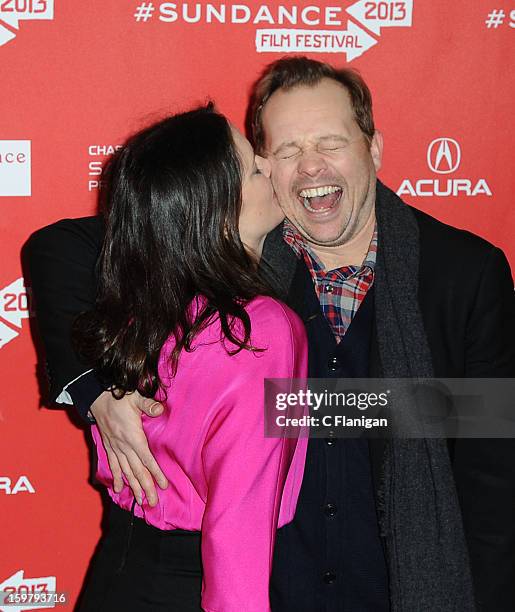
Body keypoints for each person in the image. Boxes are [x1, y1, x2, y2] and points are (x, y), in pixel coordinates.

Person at [27, 57, 515, 611]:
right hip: (266, 587)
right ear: (263, 166)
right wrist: (97, 391)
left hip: (403, 589)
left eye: (330, 143)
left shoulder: (464, 271)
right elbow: (57, 247)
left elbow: (492, 466)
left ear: (373, 150)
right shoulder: (236, 251)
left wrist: (293, 407)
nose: (310, 168)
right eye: (287, 151)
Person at [36, 104, 309, 611]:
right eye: (255, 165)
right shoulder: (258, 330)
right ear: (215, 208)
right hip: (200, 584)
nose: (274, 166)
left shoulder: (142, 300)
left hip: (119, 578)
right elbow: (238, 528)